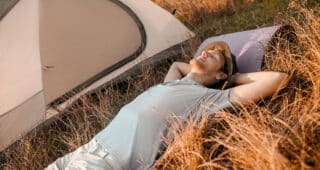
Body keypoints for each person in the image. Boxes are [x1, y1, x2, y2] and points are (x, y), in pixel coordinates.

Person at [46, 41, 289, 170]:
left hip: (104, 165)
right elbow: (176, 65)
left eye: (214, 56)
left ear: (219, 76)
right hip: (84, 151)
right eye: (206, 50)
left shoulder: (208, 100)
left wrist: (231, 78)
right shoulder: (174, 84)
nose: (206, 53)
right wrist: (200, 67)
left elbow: (279, 79)